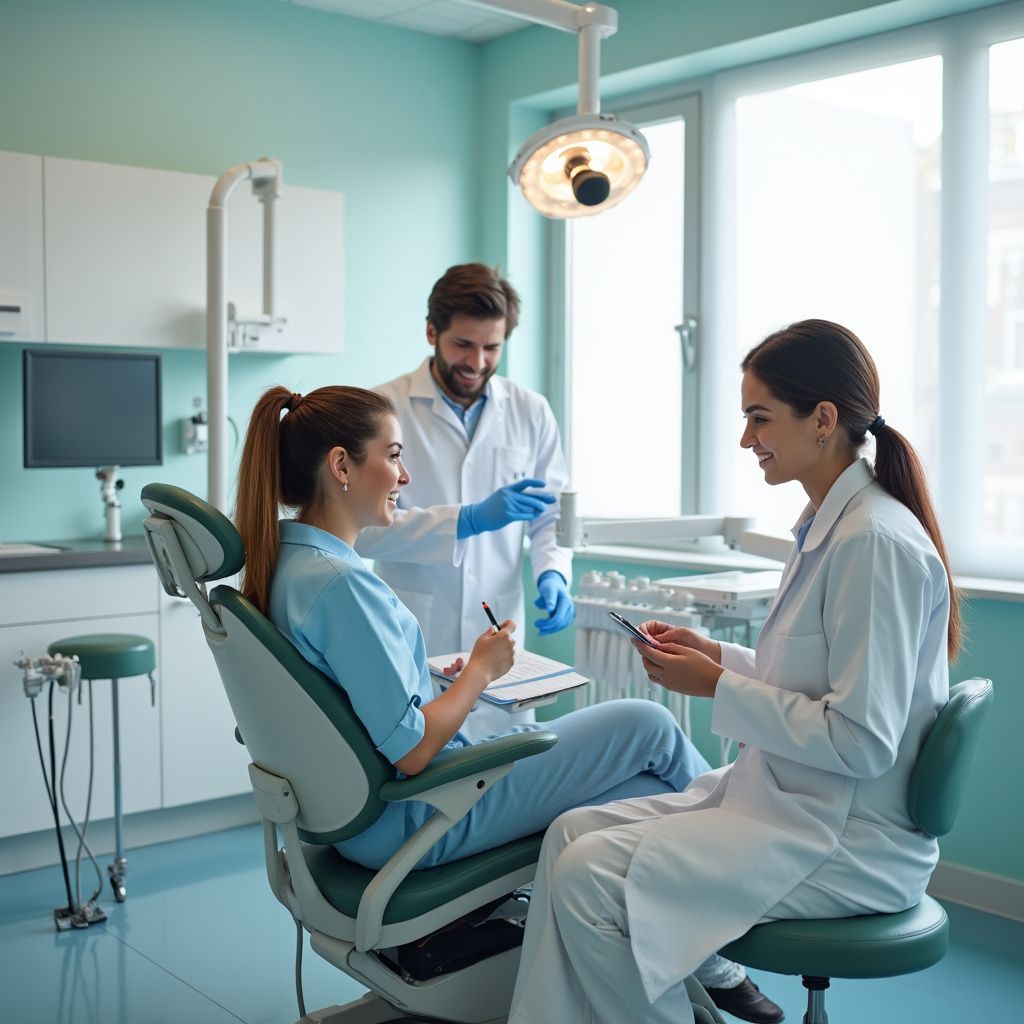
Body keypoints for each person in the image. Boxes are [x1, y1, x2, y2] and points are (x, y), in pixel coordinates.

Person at [233, 383, 767, 1018]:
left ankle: (679, 947)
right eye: (394, 455)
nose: (403, 475)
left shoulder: (288, 570)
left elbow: (350, 708)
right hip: (420, 812)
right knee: (648, 728)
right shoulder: (342, 586)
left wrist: (436, 679)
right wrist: (480, 674)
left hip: (367, 820)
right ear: (342, 465)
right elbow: (410, 752)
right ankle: (735, 904)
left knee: (632, 798)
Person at [507, 319, 959, 1024]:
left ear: (824, 420)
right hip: (790, 798)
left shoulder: (874, 542)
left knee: (588, 879)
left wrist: (716, 686)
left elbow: (864, 739)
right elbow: (812, 681)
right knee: (570, 832)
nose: (746, 439)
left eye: (759, 418)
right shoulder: (828, 525)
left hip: (846, 837)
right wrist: (716, 658)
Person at [356, 263, 573, 741]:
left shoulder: (529, 410)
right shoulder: (381, 409)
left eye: (492, 347)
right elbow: (363, 531)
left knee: (512, 770)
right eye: (463, 345)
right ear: (432, 331)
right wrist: (468, 520)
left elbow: (549, 515)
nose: (477, 362)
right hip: (417, 625)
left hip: (497, 623)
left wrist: (554, 570)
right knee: (422, 761)